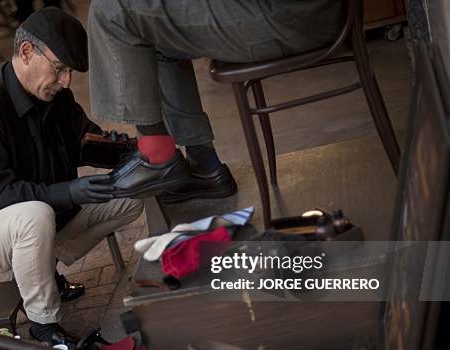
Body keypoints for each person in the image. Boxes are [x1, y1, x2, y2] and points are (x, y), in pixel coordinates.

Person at [0, 8, 143, 343]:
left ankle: (40, 266)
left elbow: (85, 141)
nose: (66, 81)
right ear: (26, 52)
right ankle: (44, 326)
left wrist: (139, 153)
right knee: (35, 215)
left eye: (69, 72)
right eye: (60, 68)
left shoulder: (54, 94)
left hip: (46, 217)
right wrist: (70, 192)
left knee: (132, 189)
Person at [88, 0, 346, 202]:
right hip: (301, 13)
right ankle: (205, 168)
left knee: (112, 9)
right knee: (149, 30)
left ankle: (157, 155)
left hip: (292, 15)